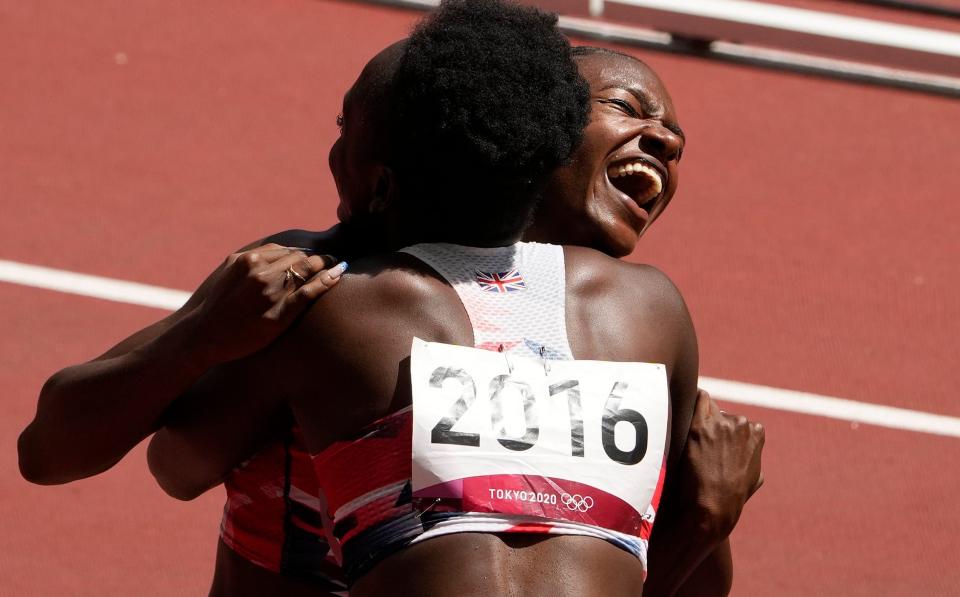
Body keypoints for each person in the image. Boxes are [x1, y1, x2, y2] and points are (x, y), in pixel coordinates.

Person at [19, 8, 763, 597]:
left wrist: (201, 337)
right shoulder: (650, 312)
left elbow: (166, 465)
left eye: (345, 128)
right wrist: (701, 523)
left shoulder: (324, 297)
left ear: (378, 181)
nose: (662, 142)